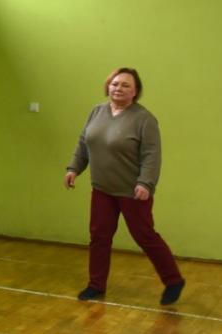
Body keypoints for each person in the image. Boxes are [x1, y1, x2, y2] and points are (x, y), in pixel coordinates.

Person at [65, 67, 185, 305]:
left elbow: (152, 155)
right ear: (108, 86)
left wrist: (145, 183)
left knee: (145, 236)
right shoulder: (96, 112)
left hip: (133, 192)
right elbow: (83, 143)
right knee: (99, 237)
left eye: (125, 85)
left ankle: (173, 280)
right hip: (102, 189)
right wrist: (73, 168)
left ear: (135, 91)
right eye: (115, 84)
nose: (118, 88)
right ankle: (96, 285)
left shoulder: (144, 119)